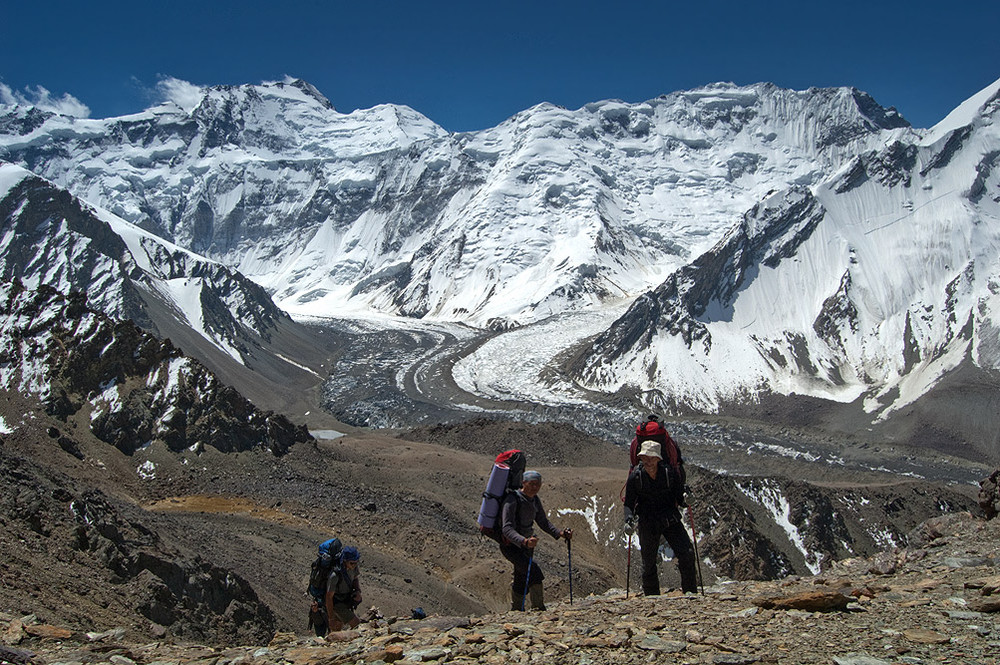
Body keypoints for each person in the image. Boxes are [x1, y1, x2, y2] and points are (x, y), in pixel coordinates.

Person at [623, 441, 698, 594]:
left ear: (658, 458)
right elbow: (628, 503)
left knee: (687, 553)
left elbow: (679, 497)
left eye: (651, 458)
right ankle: (652, 599)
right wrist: (628, 519)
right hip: (649, 521)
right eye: (644, 458)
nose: (648, 461)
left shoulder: (669, 474)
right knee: (649, 563)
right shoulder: (636, 478)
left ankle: (691, 593)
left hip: (668, 519)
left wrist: (686, 499)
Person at [499, 469, 573, 611]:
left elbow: (543, 522)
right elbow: (506, 528)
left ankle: (516, 611)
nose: (535, 487)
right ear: (523, 483)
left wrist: (560, 533)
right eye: (532, 484)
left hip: (526, 546)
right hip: (510, 546)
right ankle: (538, 609)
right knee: (535, 573)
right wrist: (524, 541)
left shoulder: (534, 500)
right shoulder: (512, 500)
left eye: (538, 484)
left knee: (522, 577)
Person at [325, 546, 363, 633]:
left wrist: (358, 591)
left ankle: (333, 644)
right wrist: (331, 618)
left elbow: (355, 578)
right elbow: (329, 597)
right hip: (337, 603)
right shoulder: (335, 575)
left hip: (346, 600)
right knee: (356, 623)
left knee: (336, 629)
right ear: (345, 561)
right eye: (352, 563)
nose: (354, 565)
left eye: (356, 563)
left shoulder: (353, 568)